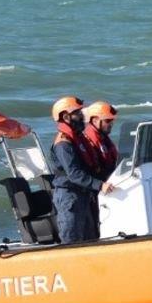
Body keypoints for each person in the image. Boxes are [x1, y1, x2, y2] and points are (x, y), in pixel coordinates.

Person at [48, 96, 115, 243]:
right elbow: (74, 174)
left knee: (91, 238)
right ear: (66, 117)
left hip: (82, 194)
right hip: (69, 196)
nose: (82, 116)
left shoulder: (77, 139)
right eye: (77, 113)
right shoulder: (63, 144)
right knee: (72, 239)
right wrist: (100, 185)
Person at [82, 101, 120, 237]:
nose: (111, 124)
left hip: (106, 186)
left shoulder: (103, 139)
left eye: (112, 121)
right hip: (94, 191)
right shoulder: (88, 140)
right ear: (95, 120)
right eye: (107, 121)